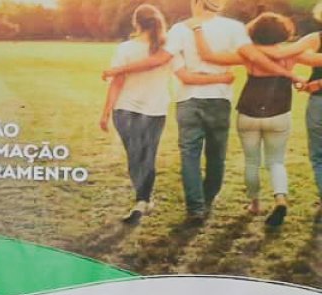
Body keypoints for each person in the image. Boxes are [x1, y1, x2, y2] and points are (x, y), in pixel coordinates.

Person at [192, 10, 322, 226]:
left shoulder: (247, 54)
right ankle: (280, 198)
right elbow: (317, 60)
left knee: (252, 161)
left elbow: (209, 56)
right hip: (279, 112)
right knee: (277, 161)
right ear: (283, 31)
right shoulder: (290, 54)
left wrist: (197, 29)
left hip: (249, 111)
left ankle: (255, 203)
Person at [166, 0, 246, 221]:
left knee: (189, 155)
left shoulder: (179, 29)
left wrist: (198, 76)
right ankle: (208, 197)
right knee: (216, 154)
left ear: (196, 3)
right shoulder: (234, 28)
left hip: (187, 98)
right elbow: (244, 57)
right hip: (219, 97)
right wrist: (221, 76)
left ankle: (196, 207)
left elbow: (179, 72)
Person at [99, 5, 175, 224]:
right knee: (147, 156)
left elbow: (117, 82)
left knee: (135, 156)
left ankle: (142, 199)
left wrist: (105, 113)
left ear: (136, 23)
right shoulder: (167, 48)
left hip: (125, 109)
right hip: (155, 110)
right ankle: (143, 200)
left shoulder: (126, 48)